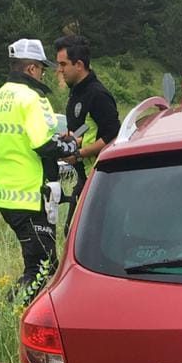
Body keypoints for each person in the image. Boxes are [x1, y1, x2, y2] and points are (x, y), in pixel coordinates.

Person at [0, 38, 66, 301]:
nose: (43, 74)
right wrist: (70, 145)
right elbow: (44, 144)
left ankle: (23, 316)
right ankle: (2, 319)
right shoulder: (33, 99)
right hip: (33, 197)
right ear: (32, 69)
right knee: (42, 270)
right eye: (42, 69)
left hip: (7, 201)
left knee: (40, 264)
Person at [52, 33, 120, 237]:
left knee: (82, 235)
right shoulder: (76, 93)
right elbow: (86, 128)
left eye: (63, 64)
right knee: (72, 233)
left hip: (101, 178)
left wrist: (79, 153)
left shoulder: (98, 95)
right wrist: (70, 137)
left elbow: (113, 135)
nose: (60, 70)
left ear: (79, 64)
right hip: (83, 177)